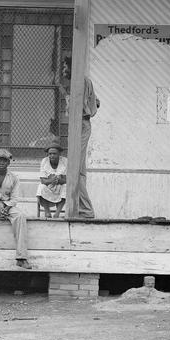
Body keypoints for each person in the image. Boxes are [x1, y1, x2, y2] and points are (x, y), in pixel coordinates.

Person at [59, 55, 100, 218]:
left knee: (74, 169)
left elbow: (78, 106)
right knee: (79, 169)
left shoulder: (80, 82)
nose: (63, 71)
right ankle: (83, 208)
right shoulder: (83, 81)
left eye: (64, 67)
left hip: (80, 125)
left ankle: (86, 209)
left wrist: (65, 95)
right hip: (80, 125)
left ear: (71, 67)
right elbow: (96, 102)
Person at [36, 140, 67, 218]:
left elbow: (68, 179)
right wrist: (51, 180)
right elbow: (43, 180)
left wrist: (59, 180)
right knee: (41, 187)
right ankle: (47, 212)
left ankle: (57, 213)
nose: (52, 156)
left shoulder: (65, 161)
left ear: (59, 154)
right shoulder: (44, 161)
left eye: (54, 153)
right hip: (48, 185)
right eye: (50, 154)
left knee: (66, 187)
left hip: (60, 184)